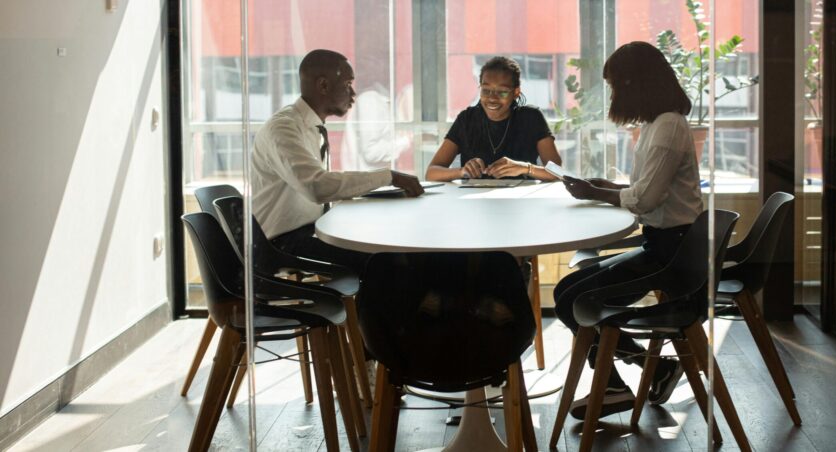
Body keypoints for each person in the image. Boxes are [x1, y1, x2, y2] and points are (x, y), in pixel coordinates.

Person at [555, 41, 703, 419]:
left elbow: (645, 200)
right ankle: (652, 371)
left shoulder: (667, 127)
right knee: (566, 292)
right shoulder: (657, 124)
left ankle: (616, 388)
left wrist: (595, 192)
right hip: (665, 245)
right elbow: (647, 191)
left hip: (671, 255)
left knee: (573, 300)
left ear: (633, 83)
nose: (613, 96)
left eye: (614, 86)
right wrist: (607, 187)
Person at [252, 49, 424, 272]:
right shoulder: (283, 128)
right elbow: (317, 187)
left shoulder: (311, 127)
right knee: (382, 261)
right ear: (323, 85)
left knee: (388, 247)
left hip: (311, 231)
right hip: (282, 245)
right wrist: (388, 177)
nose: (353, 93)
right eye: (347, 84)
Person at [425, 56, 562, 181]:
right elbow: (431, 173)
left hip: (519, 198)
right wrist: (462, 171)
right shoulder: (467, 119)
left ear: (516, 92)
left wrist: (525, 168)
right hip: (473, 198)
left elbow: (558, 172)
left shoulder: (531, 118)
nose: (492, 98)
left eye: (502, 92)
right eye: (486, 90)